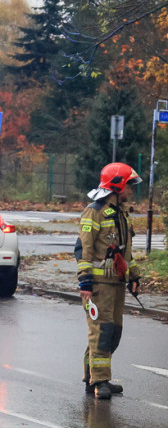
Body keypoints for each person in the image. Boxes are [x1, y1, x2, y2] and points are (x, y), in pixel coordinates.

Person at [75, 162, 142, 399]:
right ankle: (99, 380)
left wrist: (134, 276)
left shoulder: (121, 213)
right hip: (98, 286)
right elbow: (84, 249)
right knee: (101, 331)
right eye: (129, 185)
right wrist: (85, 283)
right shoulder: (94, 211)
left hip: (117, 284)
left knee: (113, 332)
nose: (131, 191)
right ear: (117, 186)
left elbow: (126, 253)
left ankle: (91, 375)